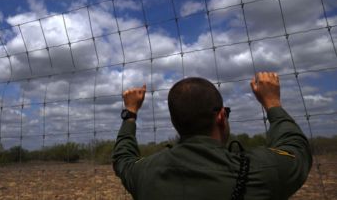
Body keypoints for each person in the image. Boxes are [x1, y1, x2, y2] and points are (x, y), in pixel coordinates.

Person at [113, 72, 312, 200]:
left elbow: (123, 158)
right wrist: (273, 103)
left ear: (175, 123)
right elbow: (297, 150)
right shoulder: (261, 171)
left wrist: (130, 112)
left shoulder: (145, 173)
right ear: (221, 116)